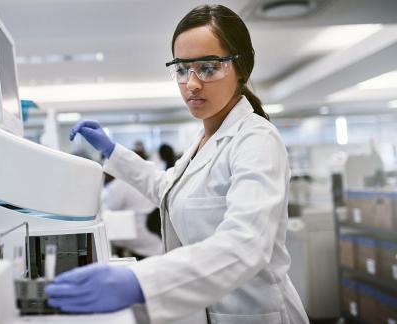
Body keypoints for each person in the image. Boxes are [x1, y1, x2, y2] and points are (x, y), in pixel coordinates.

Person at [45, 4, 309, 324]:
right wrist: (113, 152)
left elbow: (246, 244)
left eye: (208, 68)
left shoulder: (257, 140)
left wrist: (140, 282)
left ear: (241, 68)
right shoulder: (203, 141)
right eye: (182, 69)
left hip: (252, 314)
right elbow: (167, 189)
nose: (192, 83)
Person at [102, 148, 163, 259]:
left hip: (141, 238)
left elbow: (108, 209)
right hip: (152, 238)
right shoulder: (129, 181)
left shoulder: (120, 184)